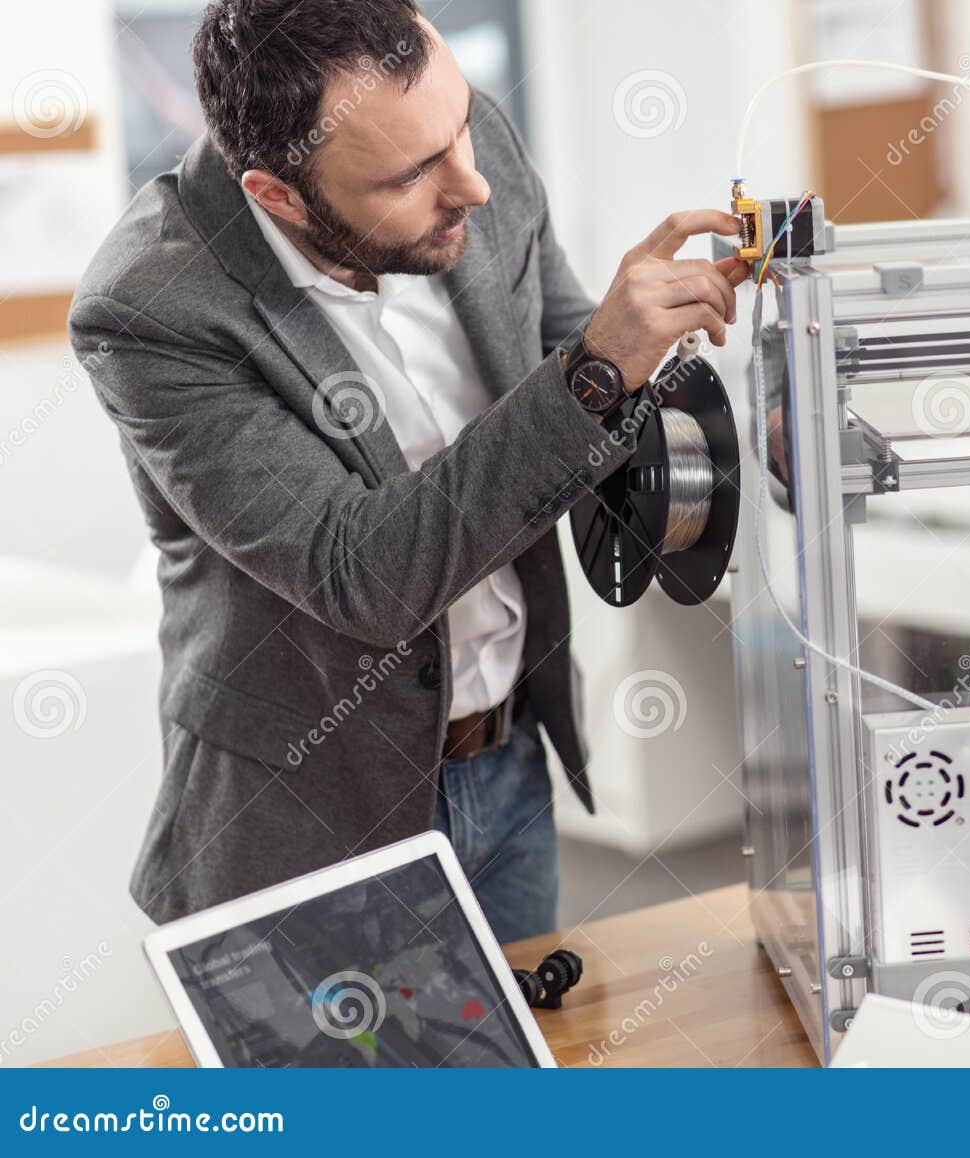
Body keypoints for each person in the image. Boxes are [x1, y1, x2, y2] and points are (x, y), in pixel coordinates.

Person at [68, 0, 747, 942]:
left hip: (508, 769)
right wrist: (592, 369)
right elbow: (367, 576)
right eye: (412, 175)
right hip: (308, 822)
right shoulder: (152, 310)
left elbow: (570, 366)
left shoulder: (464, 144)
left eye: (459, 125)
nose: (473, 182)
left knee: (517, 1044)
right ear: (278, 195)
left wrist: (753, 415)